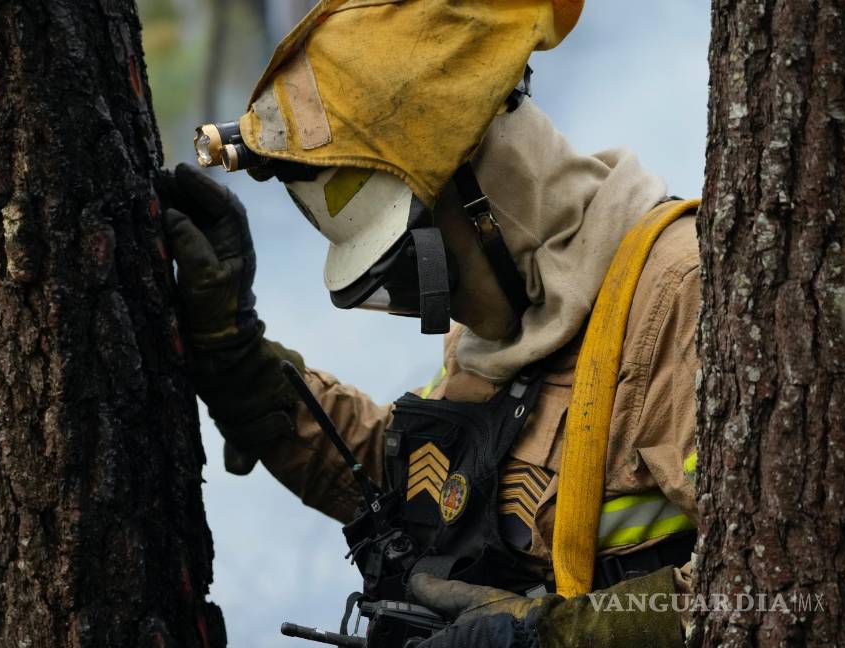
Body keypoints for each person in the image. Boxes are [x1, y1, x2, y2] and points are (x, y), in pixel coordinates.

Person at [163, 1, 700, 646]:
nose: (426, 306)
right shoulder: (509, 321)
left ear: (483, 193)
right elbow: (419, 482)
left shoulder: (678, 299)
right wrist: (238, 361)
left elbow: (781, 591)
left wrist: (554, 639)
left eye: (417, 270)